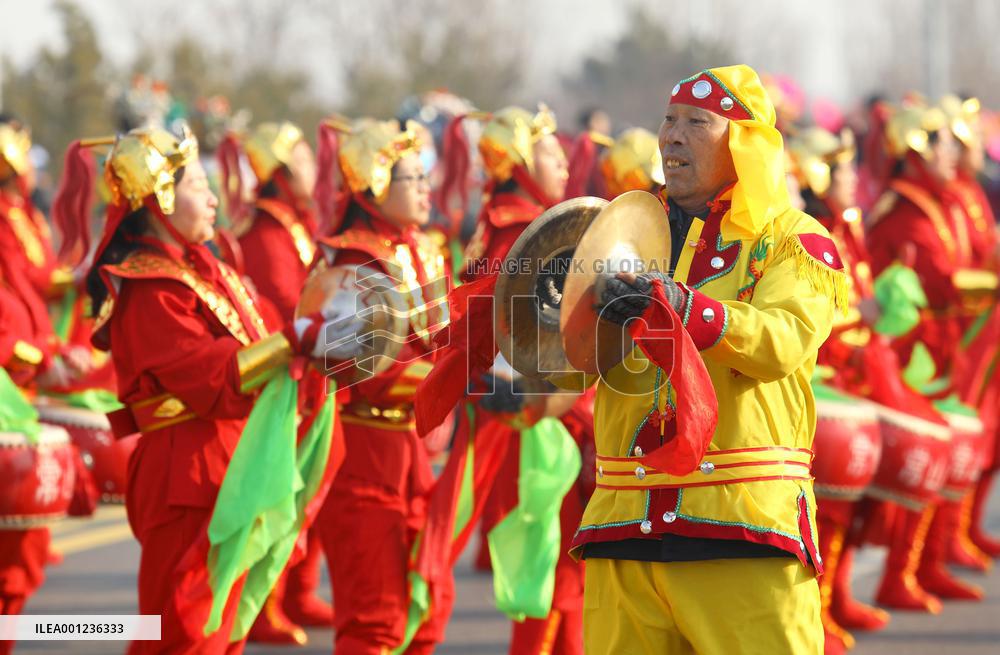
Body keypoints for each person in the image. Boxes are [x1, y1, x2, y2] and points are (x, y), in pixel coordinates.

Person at [578, 64, 845, 655]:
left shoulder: (794, 241)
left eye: (697, 123)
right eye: (668, 121)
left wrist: (685, 307)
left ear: (745, 143)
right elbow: (566, 355)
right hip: (623, 525)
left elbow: (783, 340)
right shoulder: (620, 238)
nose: (671, 136)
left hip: (743, 527)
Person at [54, 125, 343, 654]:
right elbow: (213, 373)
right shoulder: (150, 287)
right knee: (182, 636)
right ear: (161, 197)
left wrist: (309, 341)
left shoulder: (201, 269)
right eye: (197, 187)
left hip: (227, 462)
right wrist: (295, 340)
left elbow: (259, 343)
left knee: (217, 632)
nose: (213, 198)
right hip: (186, 473)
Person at [312, 118, 454, 655]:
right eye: (411, 178)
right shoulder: (350, 260)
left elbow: (441, 338)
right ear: (374, 185)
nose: (425, 189)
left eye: (424, 176)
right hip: (363, 457)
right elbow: (369, 372)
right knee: (374, 622)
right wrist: (461, 379)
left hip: (412, 455)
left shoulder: (418, 251)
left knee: (425, 610)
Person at [867, 102, 988, 605]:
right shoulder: (905, 210)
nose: (951, 152)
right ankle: (897, 575)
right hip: (911, 355)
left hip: (944, 348)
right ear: (916, 148)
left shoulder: (941, 199)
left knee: (952, 456)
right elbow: (942, 282)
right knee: (920, 459)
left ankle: (923, 563)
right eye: (940, 143)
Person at [226, 121, 330, 643]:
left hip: (309, 376)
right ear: (281, 174)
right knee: (279, 491)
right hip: (284, 380)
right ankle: (263, 604)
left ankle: (296, 592)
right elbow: (291, 308)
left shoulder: (294, 222)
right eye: (304, 161)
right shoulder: (265, 234)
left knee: (309, 487)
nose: (314, 169)